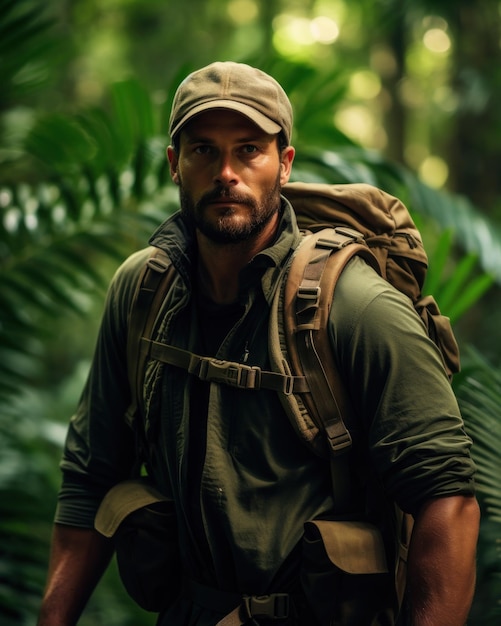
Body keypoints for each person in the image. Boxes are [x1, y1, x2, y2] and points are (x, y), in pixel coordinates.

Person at [37, 61, 480, 626]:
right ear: (175, 165)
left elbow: (448, 499)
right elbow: (89, 477)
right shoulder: (143, 293)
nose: (227, 172)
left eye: (249, 149)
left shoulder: (355, 306)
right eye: (203, 150)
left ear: (285, 164)